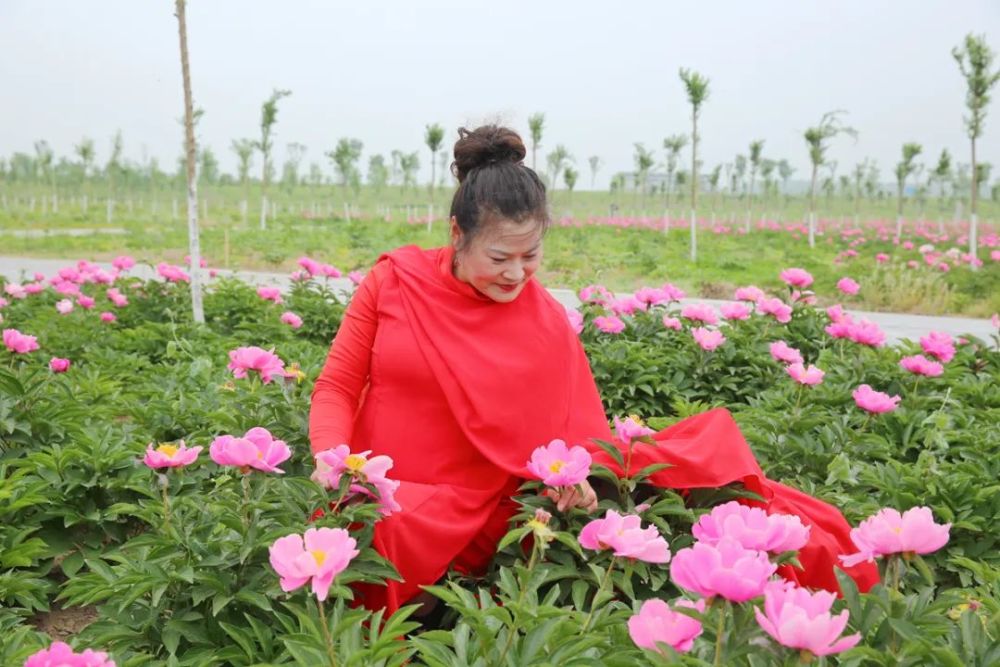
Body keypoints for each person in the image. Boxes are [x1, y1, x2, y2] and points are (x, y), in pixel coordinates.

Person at [308, 124, 877, 615]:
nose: (516, 275)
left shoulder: (545, 319)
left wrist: (576, 472)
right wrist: (332, 460)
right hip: (374, 477)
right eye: (499, 258)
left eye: (531, 257)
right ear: (457, 236)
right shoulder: (393, 282)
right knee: (368, 533)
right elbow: (337, 384)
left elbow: (570, 421)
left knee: (402, 538)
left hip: (480, 496)